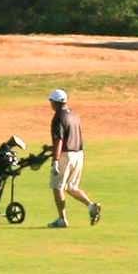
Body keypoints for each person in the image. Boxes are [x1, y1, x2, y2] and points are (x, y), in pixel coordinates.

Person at [43, 87, 100, 227]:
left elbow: (59, 140)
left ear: (55, 102)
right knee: (71, 187)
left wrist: (55, 160)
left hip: (65, 156)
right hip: (78, 154)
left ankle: (62, 219)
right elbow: (71, 137)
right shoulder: (74, 115)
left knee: (57, 187)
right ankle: (91, 206)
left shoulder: (58, 117)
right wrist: (51, 149)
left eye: (51, 101)